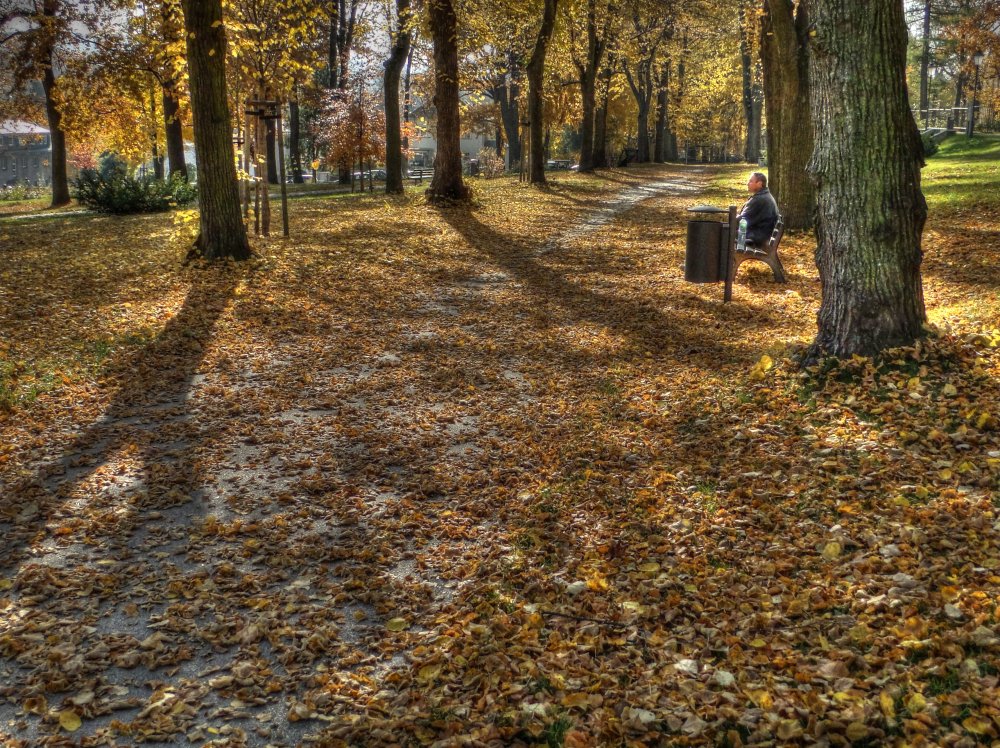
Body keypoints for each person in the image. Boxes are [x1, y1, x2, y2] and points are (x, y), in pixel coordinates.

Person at [738, 172, 778, 250]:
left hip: (756, 239)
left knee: (723, 234)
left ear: (759, 184)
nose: (748, 183)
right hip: (761, 235)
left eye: (751, 181)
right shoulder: (764, 196)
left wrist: (731, 218)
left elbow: (742, 221)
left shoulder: (760, 199)